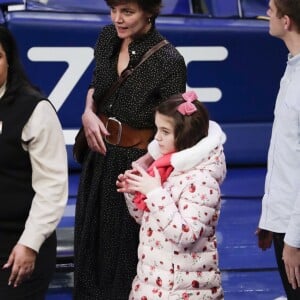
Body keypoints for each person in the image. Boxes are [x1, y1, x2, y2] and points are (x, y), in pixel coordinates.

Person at [73, 0, 187, 299]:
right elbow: (96, 88)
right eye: (113, 10)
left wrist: (147, 163)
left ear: (149, 11)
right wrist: (87, 112)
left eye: (127, 12)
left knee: (123, 254)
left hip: (134, 166)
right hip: (98, 159)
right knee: (90, 245)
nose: (117, 19)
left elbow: (173, 127)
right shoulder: (107, 37)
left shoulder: (169, 59)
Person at [117, 91, 227, 300]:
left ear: (185, 135)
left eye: (165, 131)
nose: (157, 137)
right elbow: (148, 221)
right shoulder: (166, 168)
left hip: (183, 291)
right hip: (152, 284)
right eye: (157, 129)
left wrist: (155, 193)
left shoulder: (202, 181)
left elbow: (186, 235)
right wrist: (135, 192)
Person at [0, 26, 68, 299]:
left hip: (19, 245)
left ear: (10, 61)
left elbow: (52, 187)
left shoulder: (35, 109)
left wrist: (30, 244)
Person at [257, 0, 300, 299]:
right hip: (283, 224)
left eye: (272, 8)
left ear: (286, 22)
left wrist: (295, 240)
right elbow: (285, 155)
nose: (266, 14)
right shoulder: (292, 68)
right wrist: (269, 217)